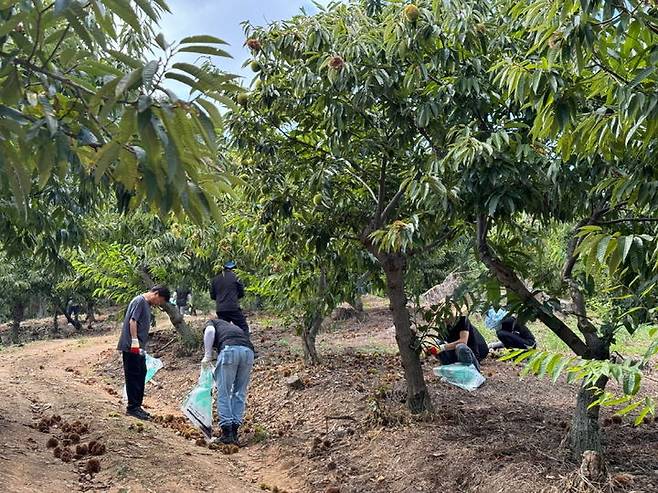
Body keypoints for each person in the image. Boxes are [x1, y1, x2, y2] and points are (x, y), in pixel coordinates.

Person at [116, 285, 171, 420]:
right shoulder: (140, 301)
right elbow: (132, 321)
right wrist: (134, 341)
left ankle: (137, 405)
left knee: (141, 373)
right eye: (160, 301)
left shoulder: (146, 304)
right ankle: (132, 407)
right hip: (131, 346)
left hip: (139, 346)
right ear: (156, 294)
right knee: (133, 375)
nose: (159, 304)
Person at [201, 318, 255, 445]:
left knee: (224, 391)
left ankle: (227, 433)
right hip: (248, 352)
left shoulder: (211, 323)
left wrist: (207, 355)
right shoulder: (231, 327)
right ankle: (234, 432)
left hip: (230, 350)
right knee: (239, 392)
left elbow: (209, 331)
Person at [210, 261, 250, 334]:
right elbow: (241, 293)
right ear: (234, 269)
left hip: (220, 309)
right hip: (233, 307)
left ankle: (222, 344)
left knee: (222, 330)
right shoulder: (236, 277)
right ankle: (246, 343)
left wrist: (221, 299)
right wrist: (234, 297)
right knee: (243, 327)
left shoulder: (215, 279)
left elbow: (212, 296)